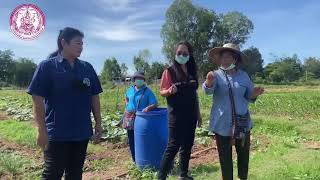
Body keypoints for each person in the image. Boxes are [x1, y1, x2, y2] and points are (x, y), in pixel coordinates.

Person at [27, 27, 103, 180]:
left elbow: (95, 96)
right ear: (64, 43)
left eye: (82, 44)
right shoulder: (47, 67)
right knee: (52, 174)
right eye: (77, 43)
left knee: (75, 174)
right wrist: (41, 130)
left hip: (81, 132)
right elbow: (37, 99)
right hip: (57, 133)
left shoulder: (87, 68)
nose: (81, 47)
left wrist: (98, 123)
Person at [203, 43, 264, 180]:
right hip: (222, 124)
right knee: (225, 159)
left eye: (228, 56)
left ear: (235, 59)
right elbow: (207, 90)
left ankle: (242, 178)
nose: (224, 60)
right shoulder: (215, 75)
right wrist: (209, 82)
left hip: (242, 124)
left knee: (243, 157)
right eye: (222, 57)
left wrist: (254, 94)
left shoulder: (244, 76)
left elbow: (249, 97)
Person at [158, 41, 202, 180]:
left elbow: (194, 95)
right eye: (179, 53)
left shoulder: (191, 72)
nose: (182, 55)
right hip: (176, 115)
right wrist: (169, 91)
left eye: (185, 53)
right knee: (173, 146)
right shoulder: (169, 71)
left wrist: (199, 115)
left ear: (189, 55)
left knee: (187, 145)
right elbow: (162, 91)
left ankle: (183, 175)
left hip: (191, 115)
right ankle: (161, 177)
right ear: (175, 54)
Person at [123, 71, 158, 162]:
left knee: (141, 139)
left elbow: (154, 103)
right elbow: (126, 98)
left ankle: (143, 159)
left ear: (144, 80)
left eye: (141, 79)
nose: (139, 80)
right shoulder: (130, 90)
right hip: (129, 117)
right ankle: (135, 160)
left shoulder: (147, 91)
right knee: (131, 139)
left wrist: (148, 108)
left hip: (141, 118)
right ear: (134, 80)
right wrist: (127, 105)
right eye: (138, 78)